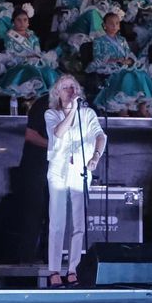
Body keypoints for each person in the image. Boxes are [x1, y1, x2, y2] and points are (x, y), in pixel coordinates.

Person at [44, 74, 105, 287]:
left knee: (78, 224)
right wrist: (71, 111)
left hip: (80, 170)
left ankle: (73, 269)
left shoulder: (88, 114)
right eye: (65, 87)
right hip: (59, 171)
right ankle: (54, 270)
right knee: (57, 222)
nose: (70, 90)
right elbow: (59, 133)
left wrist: (95, 157)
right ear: (58, 93)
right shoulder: (51, 114)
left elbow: (100, 136)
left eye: (73, 87)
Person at [90, 10, 152, 116]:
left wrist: (129, 60)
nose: (114, 26)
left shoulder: (122, 40)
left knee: (141, 74)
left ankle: (143, 105)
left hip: (124, 66)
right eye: (111, 23)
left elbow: (129, 54)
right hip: (110, 68)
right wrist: (115, 60)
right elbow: (98, 57)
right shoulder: (99, 41)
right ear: (104, 25)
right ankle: (123, 108)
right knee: (127, 76)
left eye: (117, 23)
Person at [0, 3, 58, 109]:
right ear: (13, 21)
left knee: (47, 71)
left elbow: (37, 52)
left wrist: (37, 58)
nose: (22, 23)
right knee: (29, 70)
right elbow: (10, 56)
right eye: (19, 20)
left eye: (25, 20)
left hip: (35, 62)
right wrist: (25, 58)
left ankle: (38, 103)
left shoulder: (33, 37)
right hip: (17, 64)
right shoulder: (9, 37)